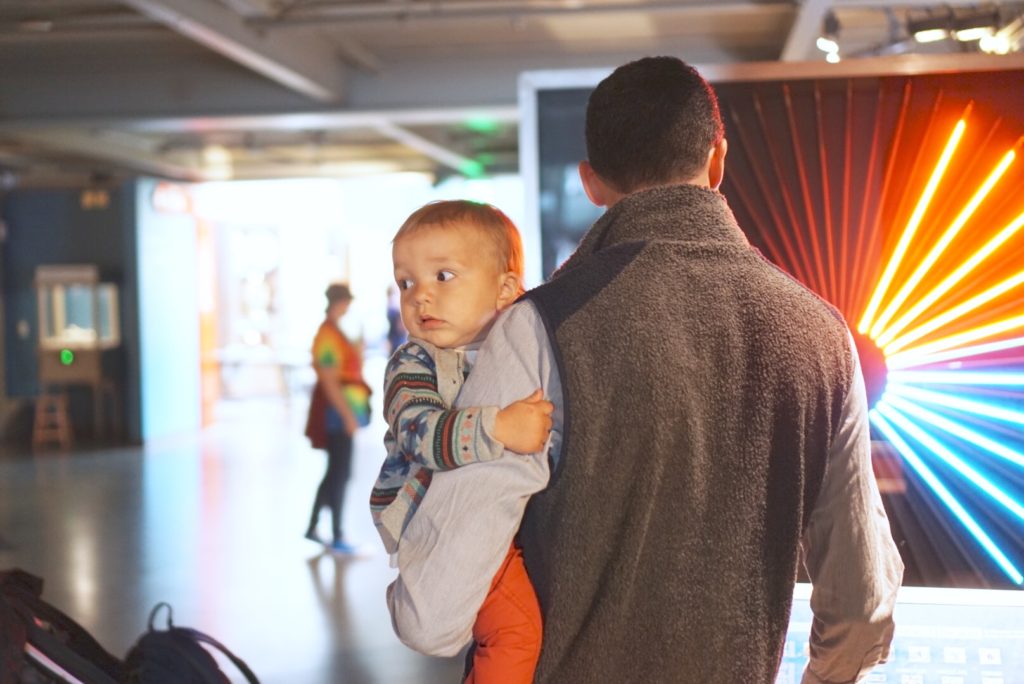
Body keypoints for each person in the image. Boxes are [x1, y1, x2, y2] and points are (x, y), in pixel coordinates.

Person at [388, 56, 904, 683]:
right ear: (717, 160)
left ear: (591, 184)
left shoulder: (543, 325)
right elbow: (861, 603)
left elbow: (433, 614)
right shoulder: (824, 335)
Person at [370, 200, 553, 684]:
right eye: (406, 283)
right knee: (515, 633)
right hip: (436, 520)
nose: (420, 298)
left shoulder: (516, 348)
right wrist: (498, 428)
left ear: (506, 289)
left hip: (502, 521)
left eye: (443, 277)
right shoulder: (414, 363)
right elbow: (418, 434)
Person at [304, 282, 372, 554]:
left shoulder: (336, 333)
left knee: (335, 472)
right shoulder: (327, 336)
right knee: (340, 473)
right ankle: (337, 534)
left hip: (340, 413)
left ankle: (314, 527)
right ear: (340, 302)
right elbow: (330, 381)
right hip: (336, 415)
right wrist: (347, 416)